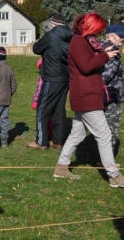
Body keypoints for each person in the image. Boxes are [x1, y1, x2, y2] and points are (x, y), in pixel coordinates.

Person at [53, 12, 124, 188]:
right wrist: (105, 56)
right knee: (105, 135)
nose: (99, 34)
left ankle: (61, 167)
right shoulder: (78, 42)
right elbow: (86, 66)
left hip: (88, 94)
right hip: (86, 95)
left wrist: (103, 52)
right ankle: (114, 176)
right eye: (97, 30)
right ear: (90, 27)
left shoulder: (85, 41)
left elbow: (90, 60)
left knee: (77, 134)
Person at [27, 13, 73, 150]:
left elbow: (36, 49)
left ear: (52, 23)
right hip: (65, 77)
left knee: (42, 109)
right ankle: (58, 141)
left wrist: (44, 36)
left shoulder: (51, 36)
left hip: (51, 77)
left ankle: (42, 141)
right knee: (59, 109)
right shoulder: (72, 36)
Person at [101, 23, 124, 151]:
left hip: (106, 93)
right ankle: (106, 160)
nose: (122, 39)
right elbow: (105, 75)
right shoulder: (112, 50)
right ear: (110, 36)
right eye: (120, 36)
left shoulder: (100, 47)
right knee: (112, 128)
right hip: (112, 94)